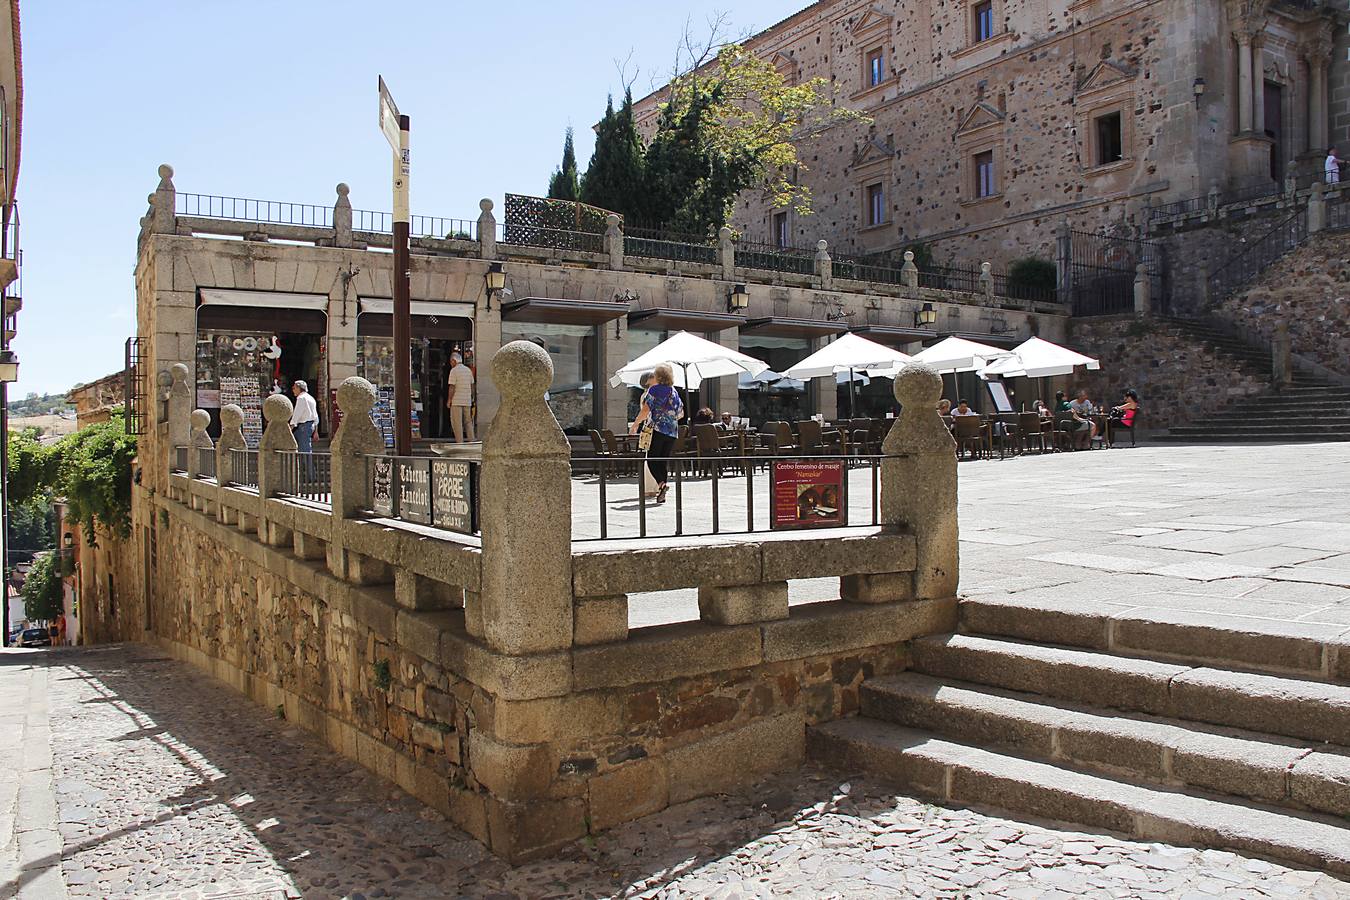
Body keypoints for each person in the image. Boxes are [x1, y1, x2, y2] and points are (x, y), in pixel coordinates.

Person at [630, 363, 683, 504]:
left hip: (658, 429)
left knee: (652, 459)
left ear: (658, 376)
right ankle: (662, 492)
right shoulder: (674, 391)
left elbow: (646, 409)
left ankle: (662, 484)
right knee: (662, 461)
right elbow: (680, 413)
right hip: (672, 432)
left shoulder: (654, 389)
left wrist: (636, 424)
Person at [289, 380, 319, 479]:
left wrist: (291, 426)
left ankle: (311, 476)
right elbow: (315, 416)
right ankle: (306, 474)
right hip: (309, 426)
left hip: (303, 427)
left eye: (294, 388)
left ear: (298, 388)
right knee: (304, 450)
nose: (293, 390)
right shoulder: (311, 398)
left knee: (305, 451)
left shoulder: (301, 398)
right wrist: (316, 431)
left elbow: (297, 413)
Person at [445, 352, 475, 442]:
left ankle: (460, 442)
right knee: (468, 422)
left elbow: (452, 387)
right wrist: (471, 397)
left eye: (451, 362)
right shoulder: (468, 370)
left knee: (457, 422)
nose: (450, 364)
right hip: (467, 400)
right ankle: (471, 441)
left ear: (454, 360)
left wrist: (449, 400)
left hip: (457, 401)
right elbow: (472, 385)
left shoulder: (454, 371)